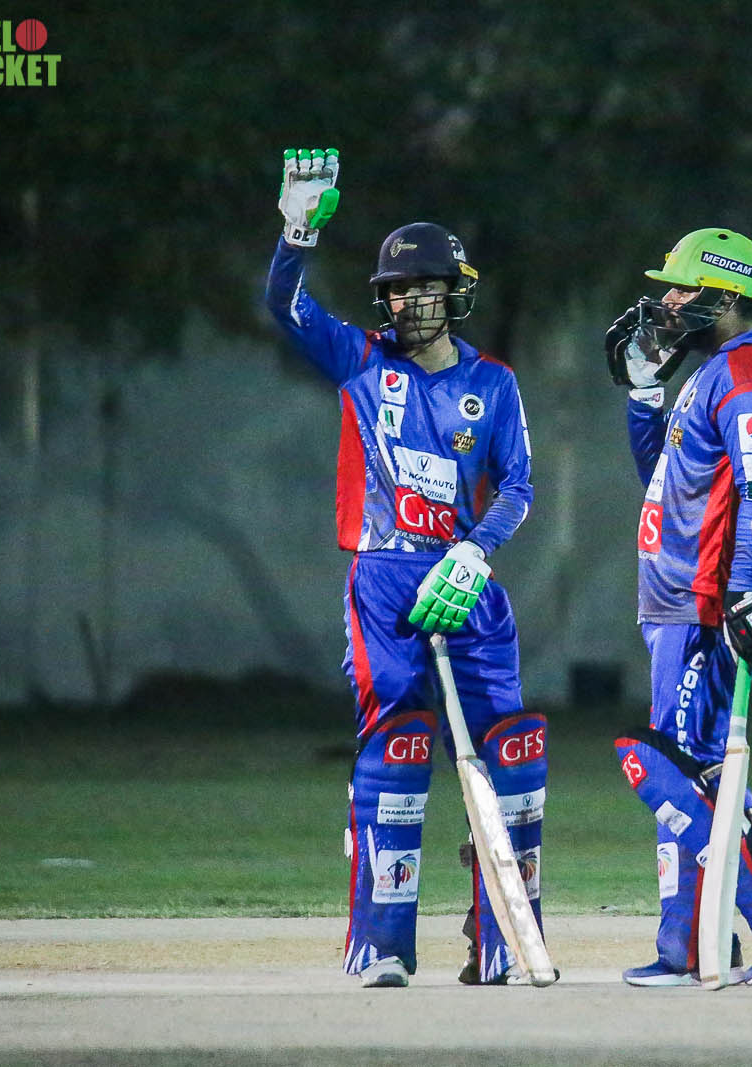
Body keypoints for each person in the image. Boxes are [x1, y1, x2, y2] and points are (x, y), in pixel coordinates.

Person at [264, 147, 545, 988]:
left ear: (453, 292)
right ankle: (383, 941)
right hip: (385, 580)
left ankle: (503, 938)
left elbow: (519, 486)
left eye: (422, 288)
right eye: (394, 289)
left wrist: (475, 550)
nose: (404, 302)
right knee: (399, 744)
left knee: (514, 750)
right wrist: (296, 233)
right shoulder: (361, 361)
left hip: (467, 580)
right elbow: (284, 305)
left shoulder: (493, 384)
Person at [605, 226, 752, 986]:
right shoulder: (713, 371)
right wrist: (645, 395)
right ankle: (710, 938)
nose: (670, 302)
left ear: (727, 296)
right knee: (702, 774)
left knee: (663, 768)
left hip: (704, 602)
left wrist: (750, 588)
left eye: (684, 288)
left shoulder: (746, 377)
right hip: (674, 600)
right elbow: (667, 476)